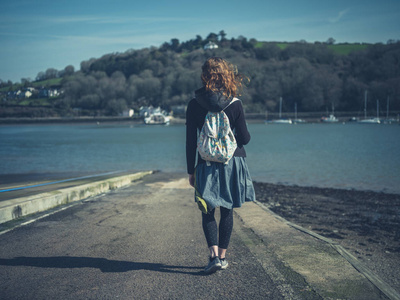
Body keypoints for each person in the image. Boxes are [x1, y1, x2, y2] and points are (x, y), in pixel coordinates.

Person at [186, 57, 256, 274]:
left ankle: (213, 256)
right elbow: (244, 138)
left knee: (207, 210)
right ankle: (223, 258)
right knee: (227, 210)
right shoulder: (235, 103)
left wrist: (191, 170)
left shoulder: (194, 104)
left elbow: (190, 141)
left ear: (204, 76)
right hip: (232, 162)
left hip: (205, 164)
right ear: (227, 75)